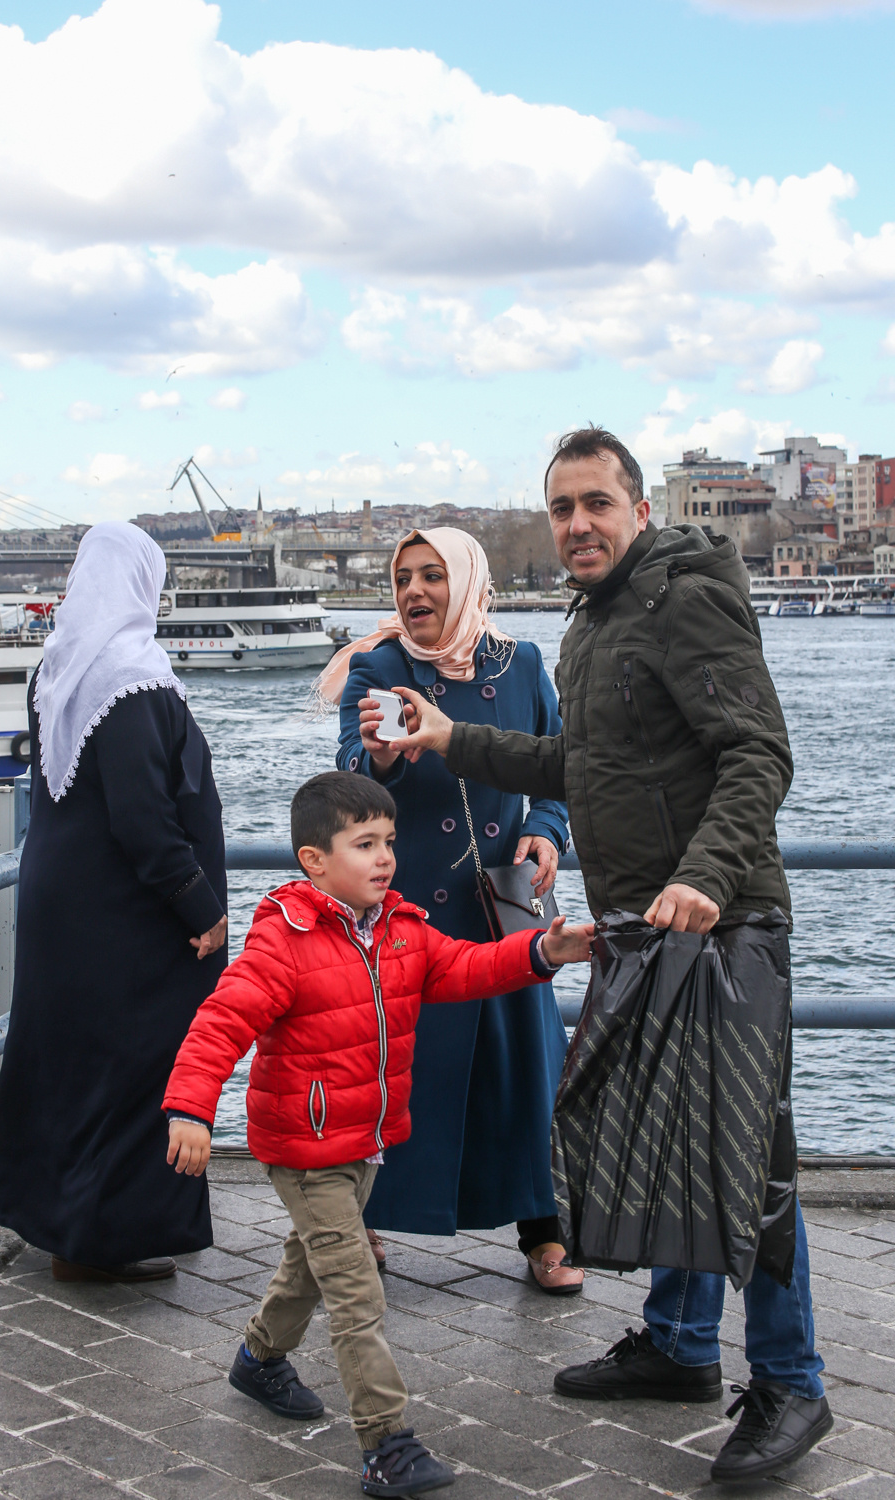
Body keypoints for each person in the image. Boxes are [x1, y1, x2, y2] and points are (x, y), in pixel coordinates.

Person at [386, 428, 832, 1486]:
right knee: (673, 1140)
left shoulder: (683, 596)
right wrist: (447, 738)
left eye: (594, 503)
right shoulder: (596, 618)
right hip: (641, 925)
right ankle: (680, 1346)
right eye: (560, 508)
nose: (576, 524)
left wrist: (709, 878)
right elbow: (575, 762)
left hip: (721, 927)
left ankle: (792, 1383)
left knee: (748, 1162)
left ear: (637, 508)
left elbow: (757, 750)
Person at [163, 770, 593, 1498]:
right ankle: (386, 1443)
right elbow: (220, 1024)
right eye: (365, 844)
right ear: (315, 861)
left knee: (309, 1263)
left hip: (366, 1141)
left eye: (389, 841)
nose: (386, 856)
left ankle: (259, 1360)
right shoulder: (284, 941)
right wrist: (190, 1110)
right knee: (355, 1293)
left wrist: (543, 952)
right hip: (303, 1148)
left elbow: (466, 966)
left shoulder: (401, 928)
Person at [315, 527, 579, 1294]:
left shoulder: (520, 663)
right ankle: (362, 1215)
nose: (416, 592)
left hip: (501, 902)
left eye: (433, 576)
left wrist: (544, 830)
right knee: (387, 1071)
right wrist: (382, 762)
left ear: (466, 580)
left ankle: (545, 1226)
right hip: (404, 905)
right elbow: (345, 779)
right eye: (403, 577)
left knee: (524, 1069)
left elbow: (560, 770)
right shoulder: (381, 665)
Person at [0, 521, 228, 1281]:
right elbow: (143, 820)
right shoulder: (128, 678)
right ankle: (99, 1240)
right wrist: (201, 907)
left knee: (66, 1057)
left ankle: (59, 1221)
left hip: (63, 898)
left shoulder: (58, 668)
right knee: (133, 1065)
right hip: (123, 914)